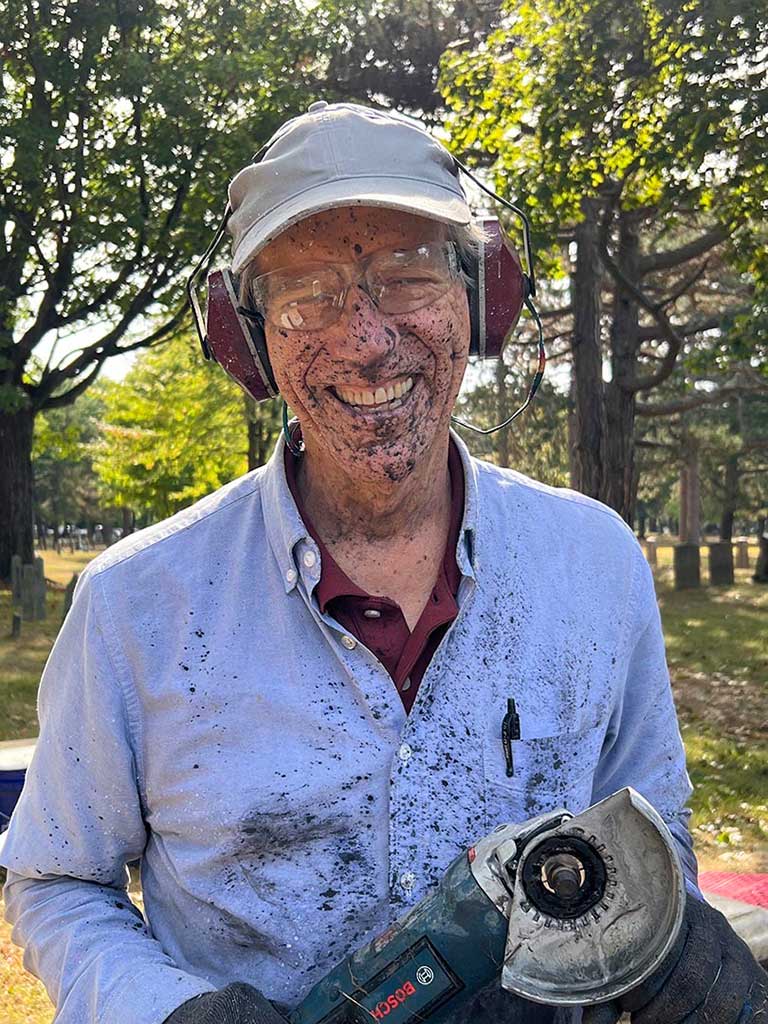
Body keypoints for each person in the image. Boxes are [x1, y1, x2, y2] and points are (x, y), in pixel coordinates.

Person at [1, 102, 765, 1024]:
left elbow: (653, 831)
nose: (365, 339)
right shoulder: (136, 606)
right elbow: (55, 881)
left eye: (407, 276)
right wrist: (170, 1011)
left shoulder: (594, 564)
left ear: (483, 301)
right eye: (309, 292)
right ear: (249, 340)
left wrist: (668, 935)